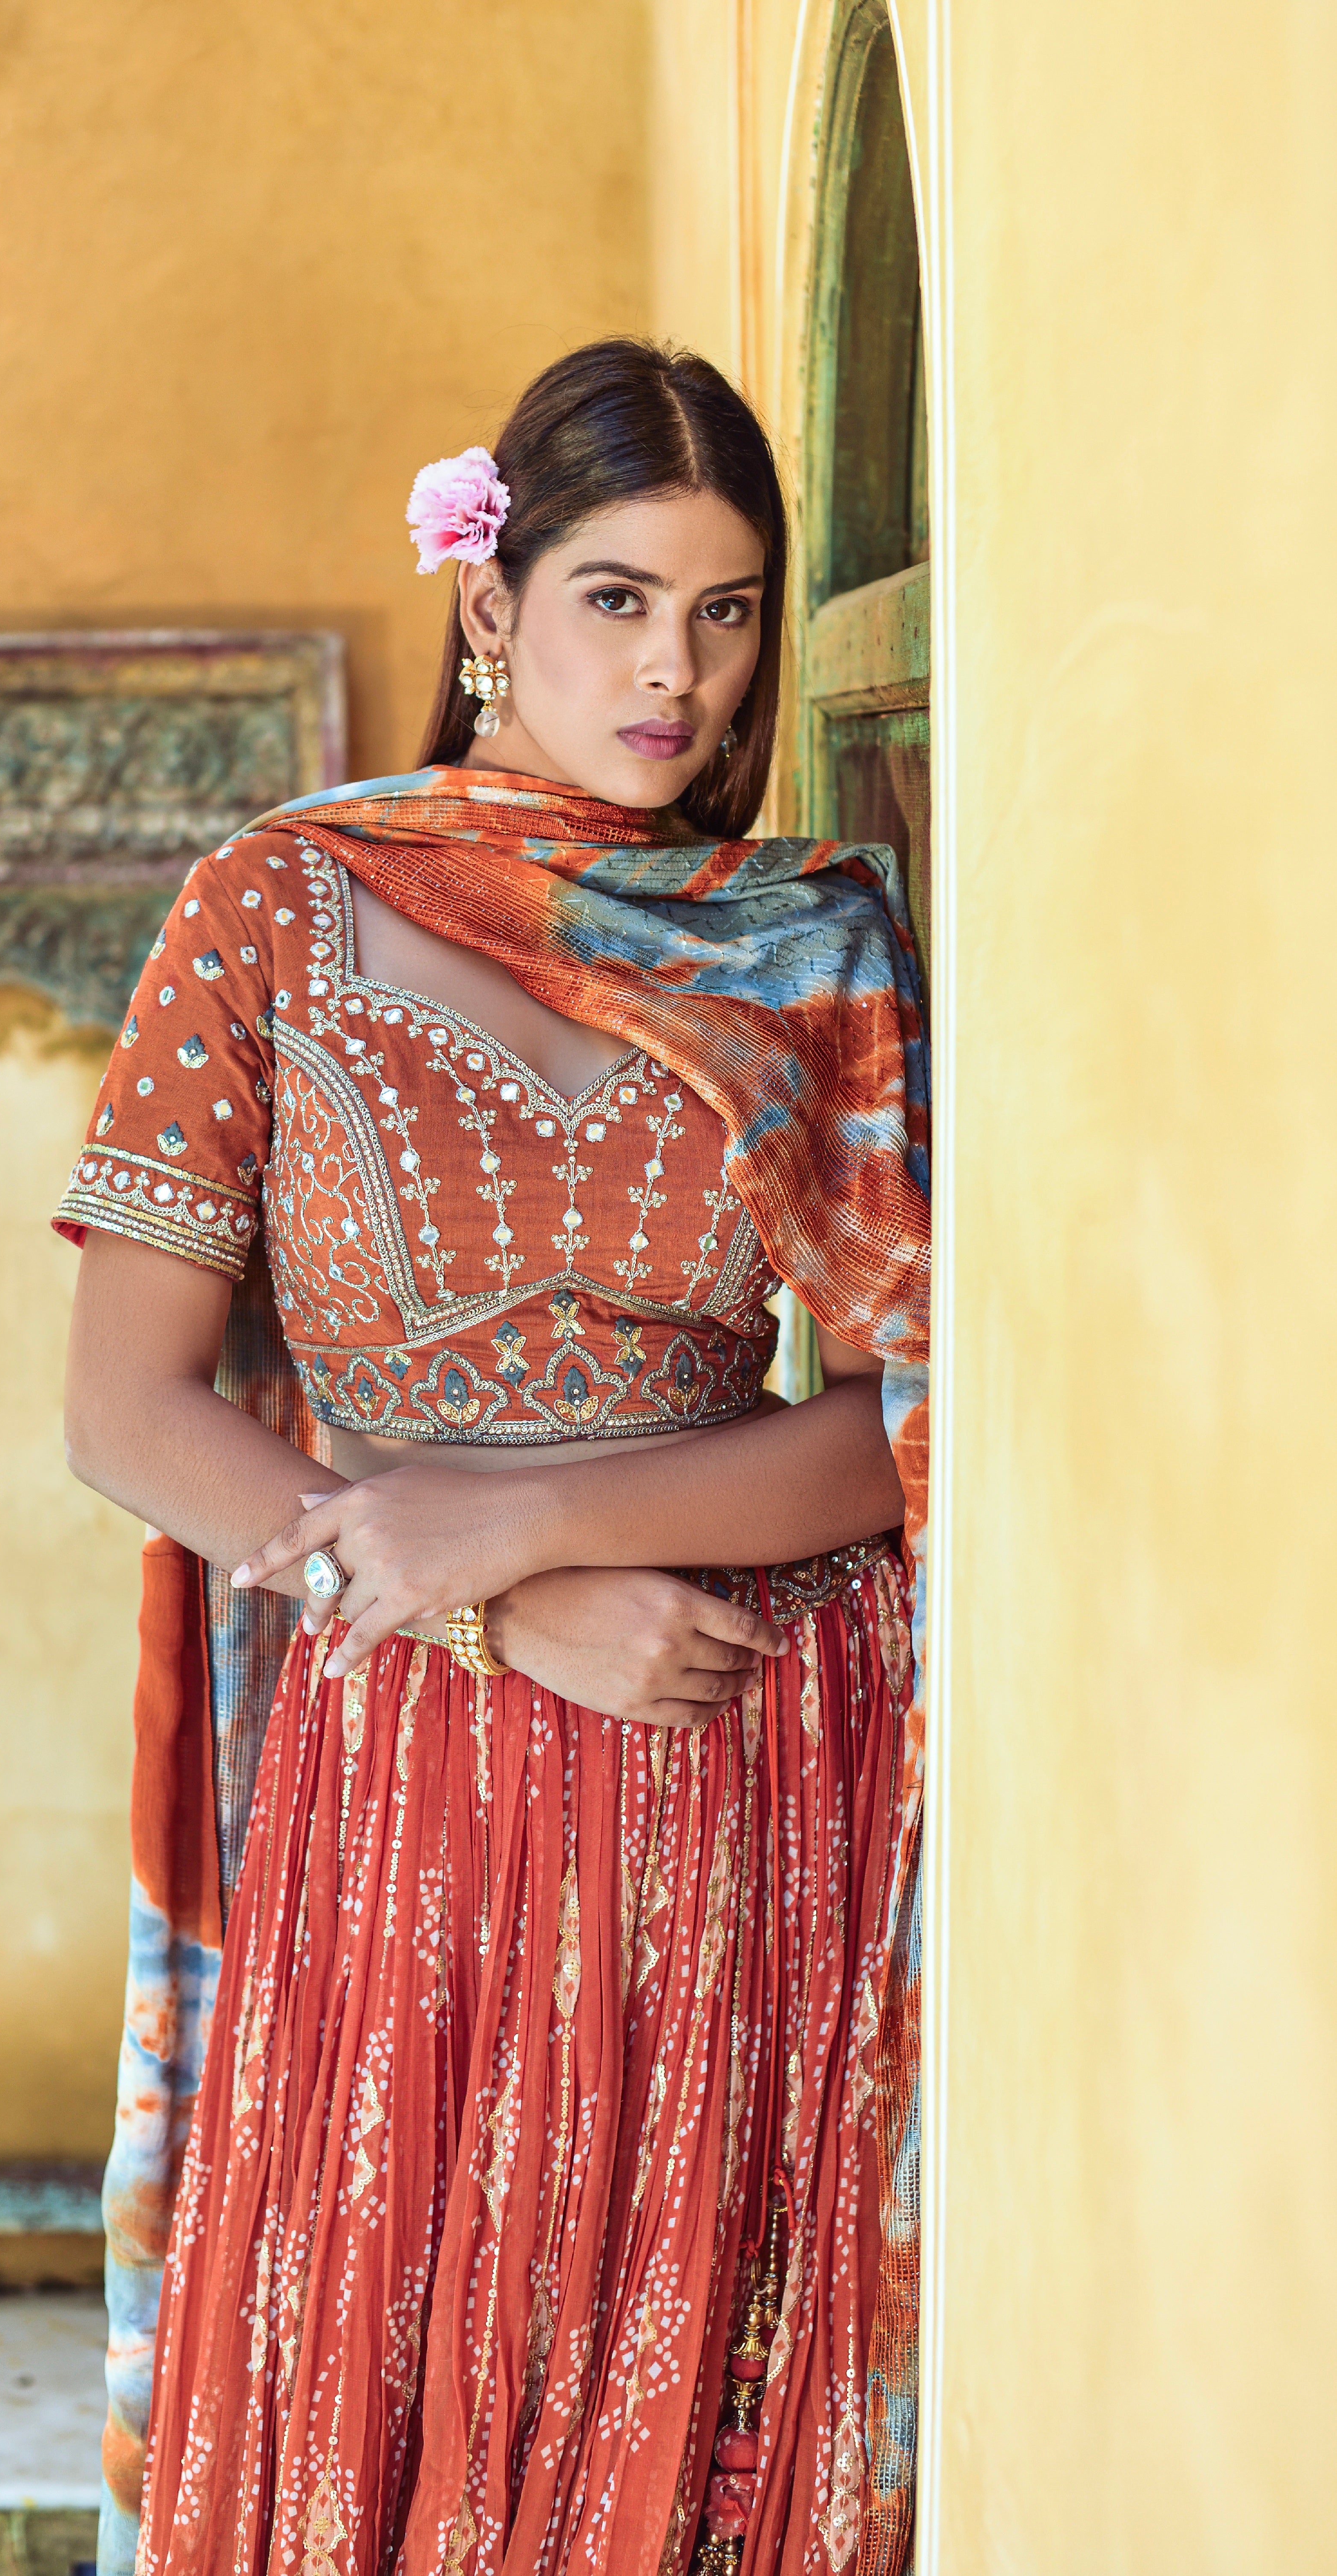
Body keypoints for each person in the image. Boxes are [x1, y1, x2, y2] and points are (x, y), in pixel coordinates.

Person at [56, 339, 929, 2576]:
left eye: (727, 611)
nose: (678, 671)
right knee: (421, 2363)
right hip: (420, 1774)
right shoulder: (277, 907)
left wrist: (534, 1520)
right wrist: (484, 1597)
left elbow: (911, 1414)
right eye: (619, 599)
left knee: (685, 2401)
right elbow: (125, 1407)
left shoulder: (803, 933)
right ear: (490, 603)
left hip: (734, 1746)